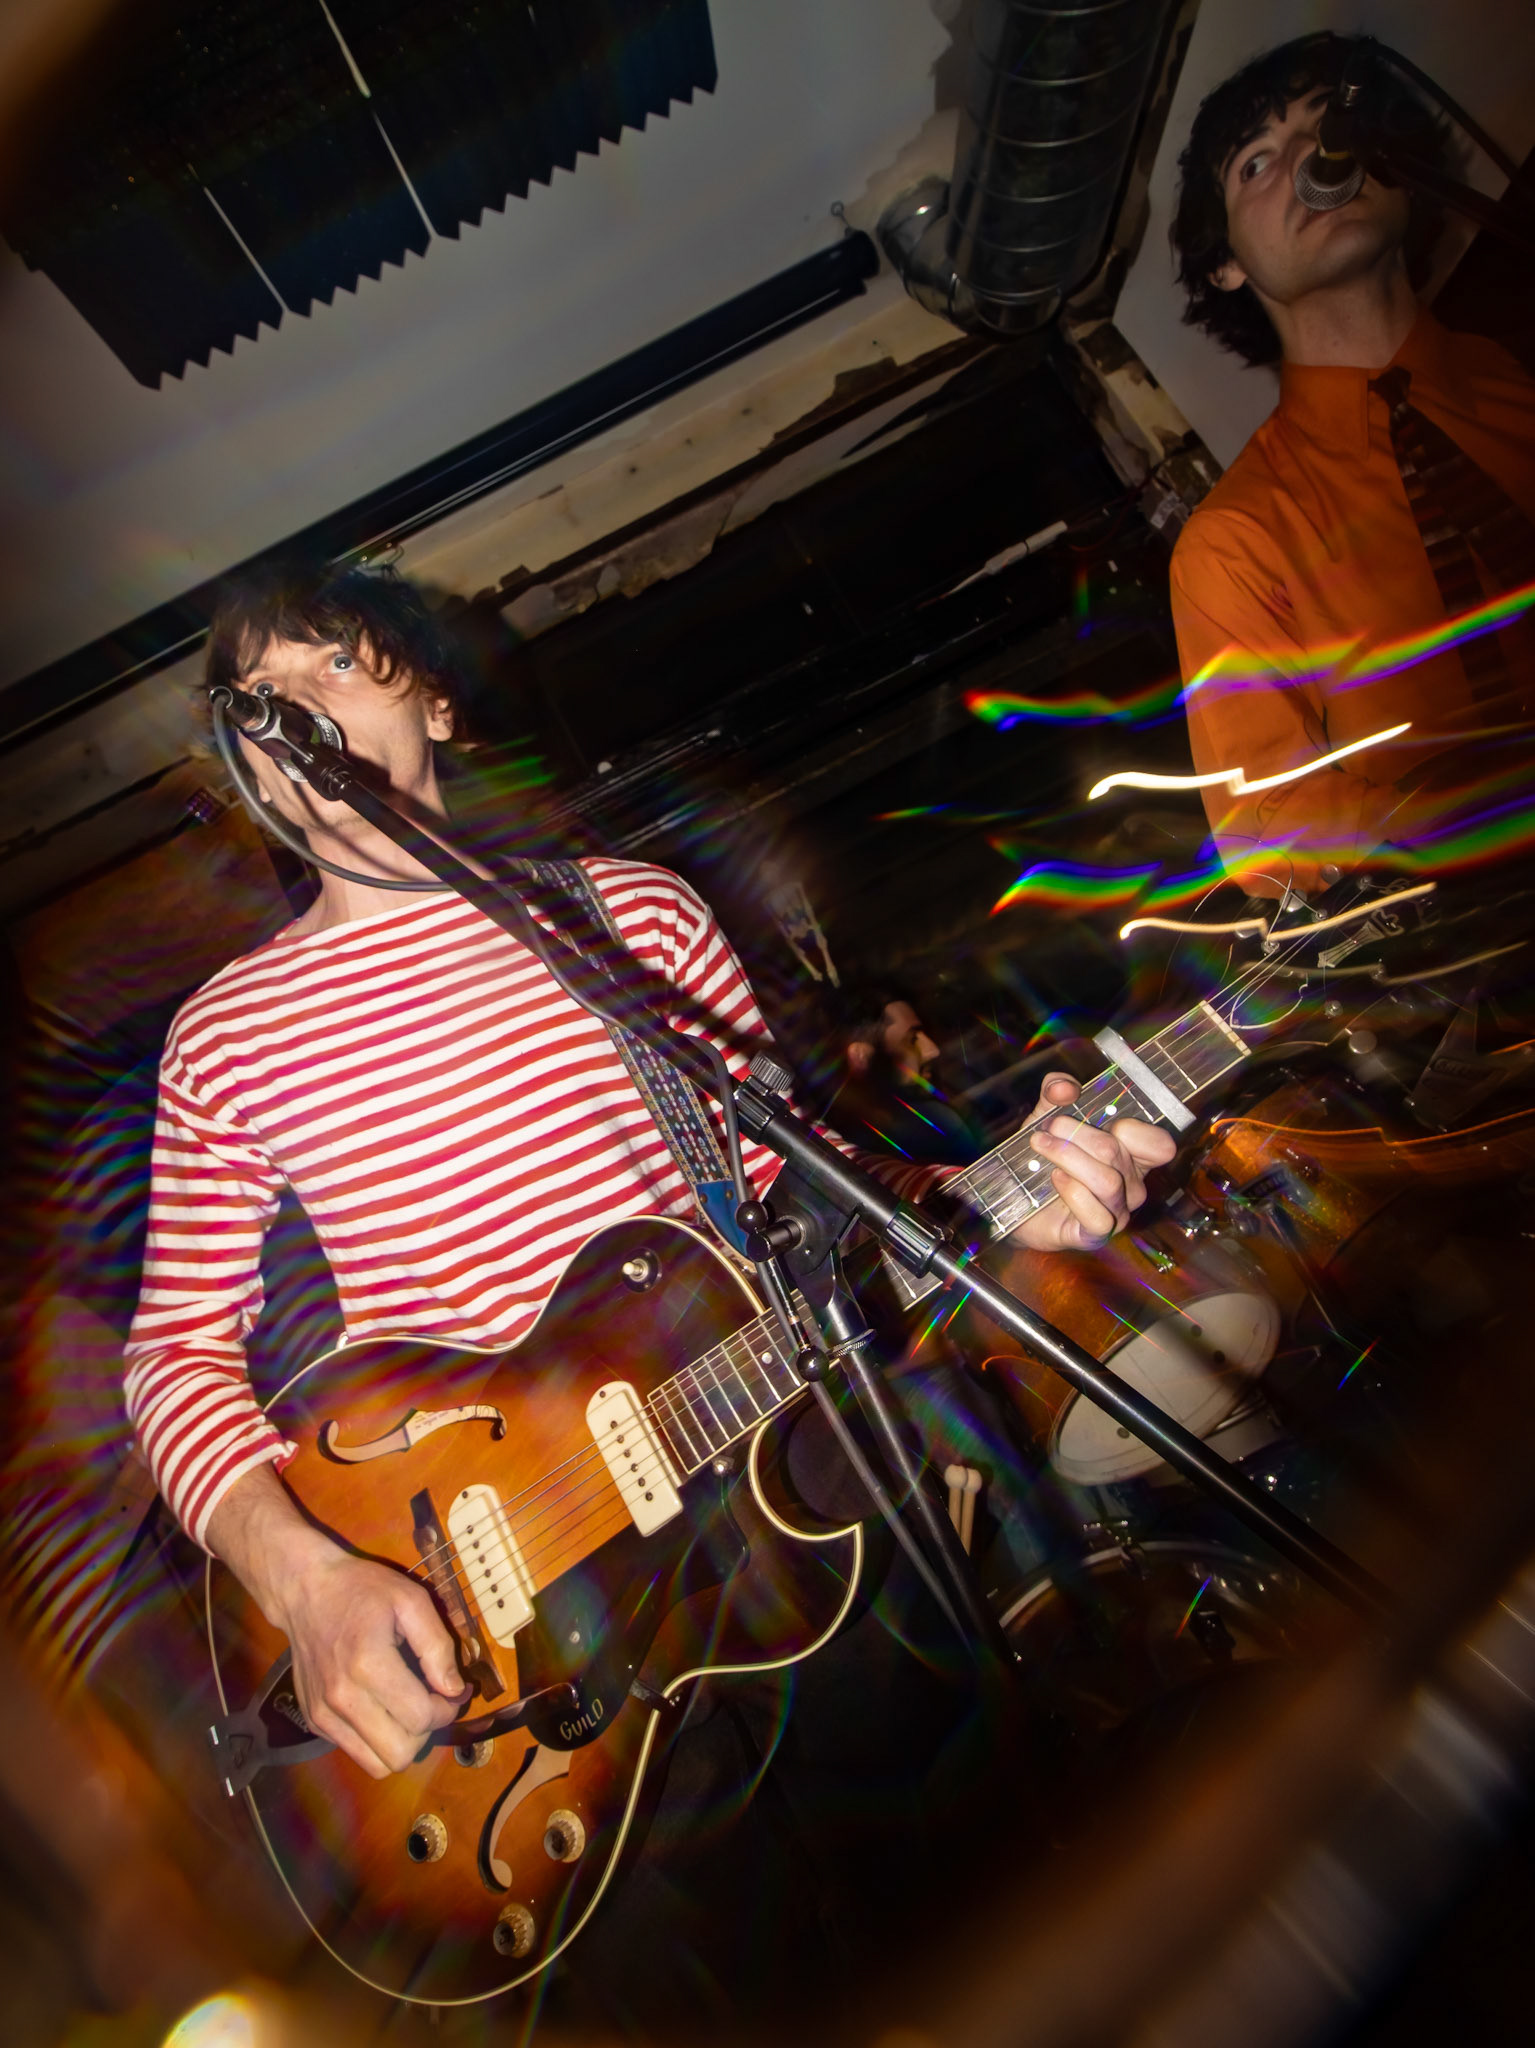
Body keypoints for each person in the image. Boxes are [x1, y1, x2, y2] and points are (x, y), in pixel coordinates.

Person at [120, 559, 1174, 2017]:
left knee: (991, 1924)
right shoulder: (228, 1035)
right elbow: (172, 1353)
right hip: (524, 1632)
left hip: (799, 1518)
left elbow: (799, 1194)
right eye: (256, 699)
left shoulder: (634, 917)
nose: (289, 710)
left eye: (333, 667)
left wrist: (1008, 1200)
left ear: (436, 701)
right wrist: (306, 1582)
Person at [1167, 31, 1535, 899]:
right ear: (1224, 265)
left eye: (1324, 127)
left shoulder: (1518, 374)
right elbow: (1270, 830)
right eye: (1256, 163)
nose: (1309, 156)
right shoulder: (1233, 542)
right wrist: (1476, 822)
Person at [825, 985, 986, 1167]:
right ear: (861, 1056)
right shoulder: (933, 1121)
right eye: (912, 1040)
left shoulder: (830, 1146)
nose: (932, 1051)